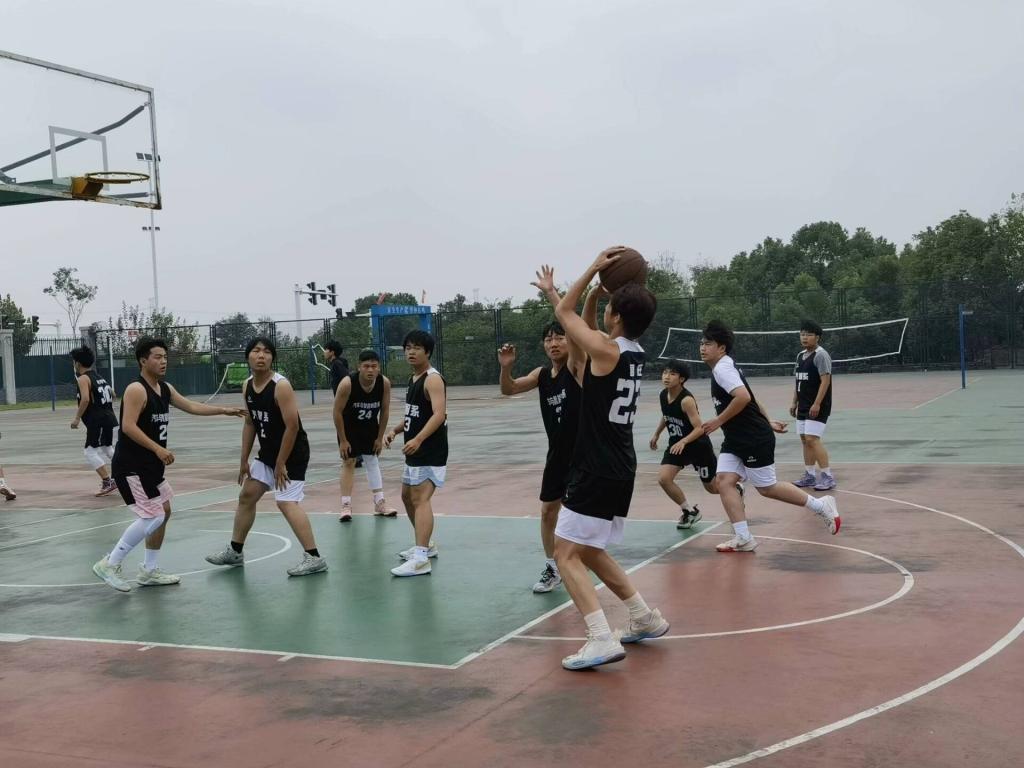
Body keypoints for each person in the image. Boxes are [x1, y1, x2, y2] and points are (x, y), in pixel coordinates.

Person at [551, 248, 668, 671]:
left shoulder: (606, 350)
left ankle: (600, 637)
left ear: (615, 317)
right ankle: (643, 616)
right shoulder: (632, 353)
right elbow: (583, 329)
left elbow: (564, 314)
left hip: (597, 467)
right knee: (591, 550)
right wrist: (597, 296)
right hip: (620, 465)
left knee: (565, 553)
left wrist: (593, 269)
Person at [92, 338, 243, 592]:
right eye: (157, 357)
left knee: (164, 510)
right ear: (143, 360)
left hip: (150, 466)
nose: (163, 361)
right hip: (131, 465)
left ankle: (149, 571)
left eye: (165, 356)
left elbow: (191, 406)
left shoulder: (165, 389)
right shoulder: (136, 389)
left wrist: (223, 410)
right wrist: (158, 448)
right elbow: (128, 426)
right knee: (153, 515)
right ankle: (110, 563)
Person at [699, 320, 840, 553]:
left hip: (752, 437)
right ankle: (744, 537)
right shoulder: (725, 366)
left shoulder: (723, 369)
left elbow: (743, 397)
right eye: (702, 343)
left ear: (721, 348)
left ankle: (820, 505)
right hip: (736, 438)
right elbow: (752, 397)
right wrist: (769, 421)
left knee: (767, 488)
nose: (703, 348)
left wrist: (718, 420)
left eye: (708, 344)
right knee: (723, 481)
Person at [205, 337, 328, 577]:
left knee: (286, 502)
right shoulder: (247, 385)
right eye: (256, 351)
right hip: (268, 453)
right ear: (248, 357)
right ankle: (235, 551)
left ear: (272, 358)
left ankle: (314, 557)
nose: (261, 355)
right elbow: (250, 423)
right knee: (247, 495)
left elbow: (292, 427)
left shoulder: (281, 386)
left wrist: (281, 463)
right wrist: (243, 459)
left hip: (292, 453)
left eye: (267, 352)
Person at [498, 268, 584, 594]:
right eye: (548, 339)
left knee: (578, 516)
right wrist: (506, 368)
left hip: (584, 455)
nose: (554, 343)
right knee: (548, 511)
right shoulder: (541, 375)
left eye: (559, 337)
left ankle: (579, 560)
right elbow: (508, 389)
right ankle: (553, 567)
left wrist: (551, 292)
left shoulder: (577, 367)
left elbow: (571, 323)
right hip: (557, 455)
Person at [383, 329, 447, 577]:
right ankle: (426, 546)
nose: (411, 352)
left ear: (427, 352)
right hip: (415, 450)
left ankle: (421, 558)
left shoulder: (433, 379)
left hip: (430, 449)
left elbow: (439, 414)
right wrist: (395, 430)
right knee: (407, 497)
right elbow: (414, 413)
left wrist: (419, 439)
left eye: (417, 348)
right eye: (408, 347)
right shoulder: (414, 379)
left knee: (420, 499)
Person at [649, 359, 741, 528]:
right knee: (664, 479)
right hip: (677, 445)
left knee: (712, 488)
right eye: (665, 373)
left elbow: (699, 428)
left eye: (672, 374)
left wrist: (684, 441)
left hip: (697, 446)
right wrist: (657, 433)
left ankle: (736, 489)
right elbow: (667, 414)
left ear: (681, 379)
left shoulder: (686, 400)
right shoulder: (663, 394)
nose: (666, 377)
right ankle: (689, 511)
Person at [333, 349, 396, 521]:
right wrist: (343, 440)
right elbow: (337, 412)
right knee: (349, 462)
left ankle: (380, 502)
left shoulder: (384, 383)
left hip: (369, 426)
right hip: (349, 427)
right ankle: (346, 505)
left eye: (374, 366)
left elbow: (385, 411)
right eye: (366, 366)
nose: (370, 370)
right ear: (359, 367)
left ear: (379, 368)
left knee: (372, 460)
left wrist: (380, 437)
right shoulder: (347, 384)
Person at [790, 319, 835, 491]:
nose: (804, 337)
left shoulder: (821, 355)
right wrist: (794, 402)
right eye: (802, 334)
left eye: (808, 334)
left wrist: (817, 404)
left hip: (817, 405)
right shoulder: (800, 356)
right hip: (803, 404)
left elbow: (825, 381)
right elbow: (798, 381)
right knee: (804, 440)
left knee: (812, 439)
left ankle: (827, 476)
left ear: (817, 337)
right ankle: (809, 475)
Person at [70, 346, 119, 496]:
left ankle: (108, 481)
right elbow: (113, 394)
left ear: (78, 363)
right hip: (109, 418)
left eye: (74, 362)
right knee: (107, 448)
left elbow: (85, 399)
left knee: (89, 452)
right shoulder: (99, 377)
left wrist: (77, 418)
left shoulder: (83, 379)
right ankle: (127, 471)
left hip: (98, 420)